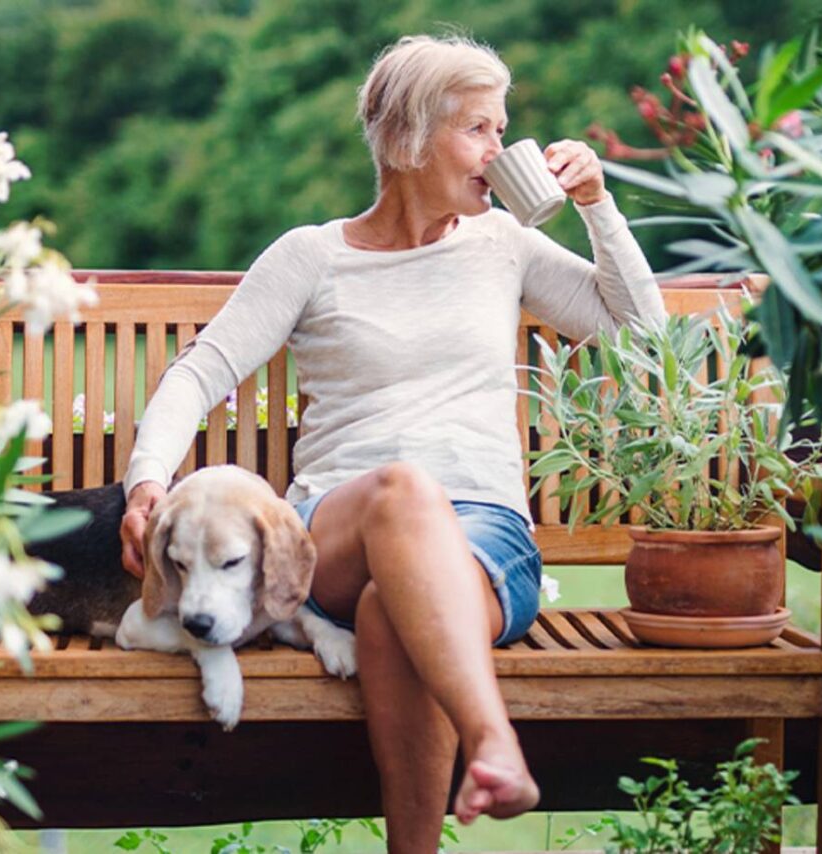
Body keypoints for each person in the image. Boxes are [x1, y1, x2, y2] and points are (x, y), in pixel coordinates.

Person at [118, 33, 666, 852]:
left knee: (389, 610)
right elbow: (200, 373)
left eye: (501, 128)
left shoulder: (503, 247)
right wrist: (145, 483)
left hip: (484, 535)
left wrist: (596, 204)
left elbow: (643, 339)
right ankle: (494, 742)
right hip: (335, 530)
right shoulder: (312, 256)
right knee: (403, 489)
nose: (501, 149)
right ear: (409, 140)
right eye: (479, 129)